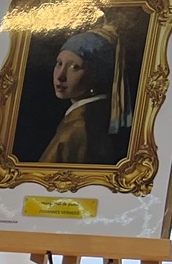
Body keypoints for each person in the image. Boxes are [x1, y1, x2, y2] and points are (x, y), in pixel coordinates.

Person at [37, 30, 119, 166]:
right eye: (59, 63)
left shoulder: (78, 129)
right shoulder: (87, 117)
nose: (60, 76)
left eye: (75, 67)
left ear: (96, 75)